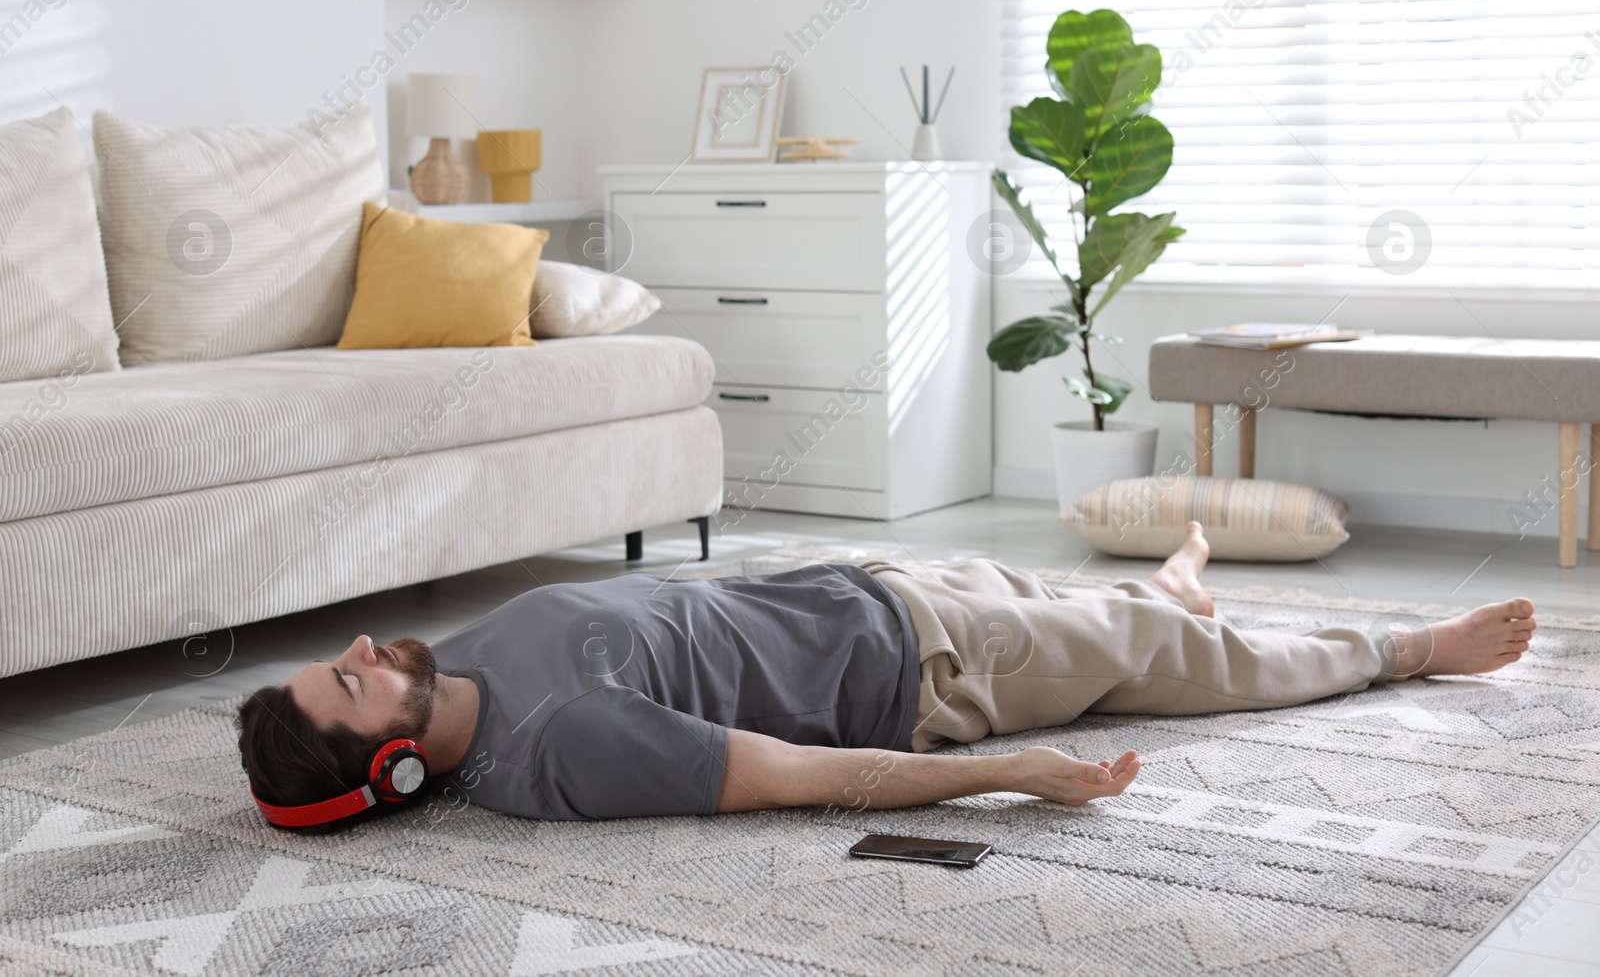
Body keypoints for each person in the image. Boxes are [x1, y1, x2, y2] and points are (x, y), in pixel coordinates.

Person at [235, 523, 1537, 825]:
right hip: (941, 674)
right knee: (1193, 664)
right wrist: (1005, 774)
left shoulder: (438, 663)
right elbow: (804, 775)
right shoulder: (563, 748)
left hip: (877, 589)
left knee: (1111, 609)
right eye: (348, 689)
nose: (360, 651)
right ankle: (1409, 650)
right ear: (398, 762)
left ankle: (1163, 586)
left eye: (335, 658)